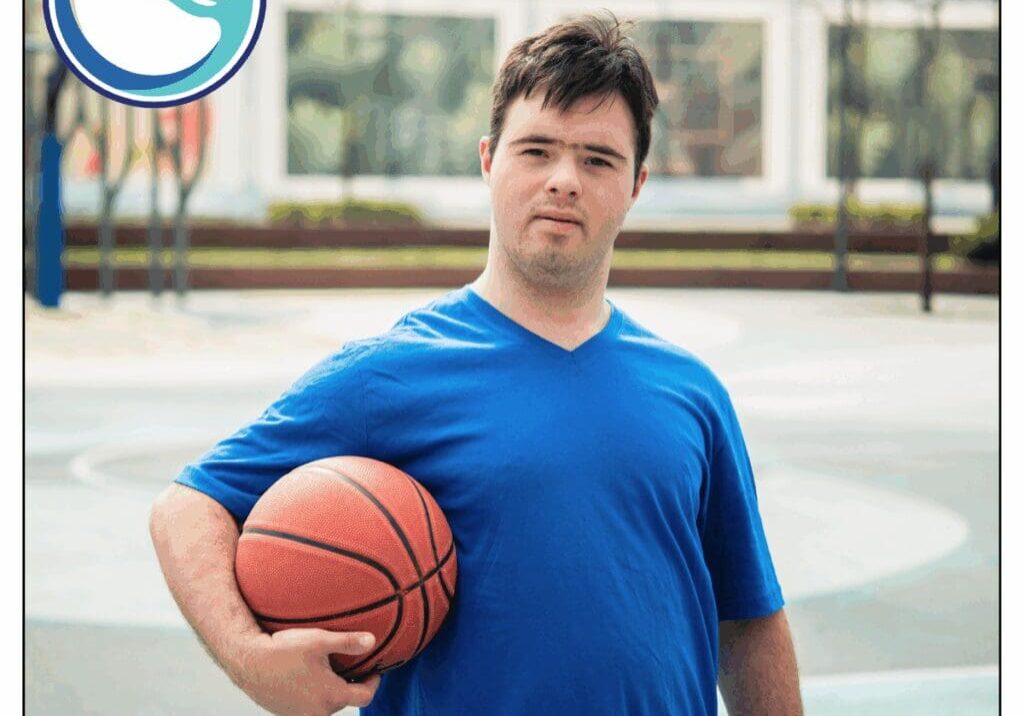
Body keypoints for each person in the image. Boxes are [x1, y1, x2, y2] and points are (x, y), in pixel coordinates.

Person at [149, 13, 802, 716]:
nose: (563, 180)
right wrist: (250, 659)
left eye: (597, 159)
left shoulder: (691, 394)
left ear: (637, 183)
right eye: (537, 150)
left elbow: (747, 620)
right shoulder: (390, 374)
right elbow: (186, 507)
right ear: (489, 160)